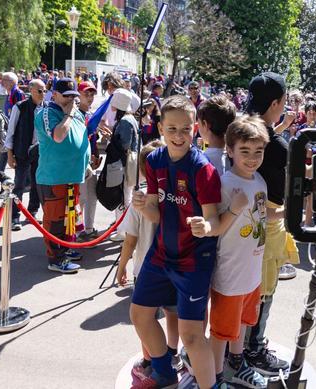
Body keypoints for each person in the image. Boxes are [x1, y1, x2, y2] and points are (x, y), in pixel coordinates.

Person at [129, 95, 222, 388]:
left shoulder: (203, 170)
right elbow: (157, 214)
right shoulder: (154, 161)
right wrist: (144, 205)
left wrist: (204, 226)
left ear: (195, 128)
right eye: (171, 129)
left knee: (191, 335)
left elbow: (214, 222)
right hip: (160, 255)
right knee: (139, 314)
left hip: (194, 262)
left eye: (185, 129)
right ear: (160, 128)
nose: (178, 136)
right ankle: (165, 372)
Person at [209, 116, 270, 388]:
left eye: (258, 151)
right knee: (221, 330)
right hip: (230, 272)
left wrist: (292, 211)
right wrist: (234, 207)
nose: (252, 157)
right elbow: (215, 228)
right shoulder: (224, 183)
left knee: (244, 321)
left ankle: (237, 361)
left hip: (252, 270)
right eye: (244, 151)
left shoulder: (259, 180)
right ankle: (215, 376)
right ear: (230, 150)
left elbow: (264, 215)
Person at [245, 72, 297, 376]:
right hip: (270, 219)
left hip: (243, 219)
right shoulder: (275, 144)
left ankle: (238, 346)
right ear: (276, 102)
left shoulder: (243, 131)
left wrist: (280, 129)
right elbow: (301, 171)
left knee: (243, 286)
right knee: (264, 288)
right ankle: (254, 349)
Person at [117, 139, 181, 385]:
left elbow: (130, 240)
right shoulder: (175, 195)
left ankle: (151, 360)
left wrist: (122, 265)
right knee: (172, 313)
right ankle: (172, 351)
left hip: (145, 267)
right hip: (174, 267)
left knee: (144, 318)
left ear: (143, 170)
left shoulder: (140, 198)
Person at [34, 78, 90, 273]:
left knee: (70, 217)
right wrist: (67, 116)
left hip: (72, 176)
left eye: (74, 96)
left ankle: (66, 249)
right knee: (55, 220)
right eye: (66, 97)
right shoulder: (47, 113)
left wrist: (88, 161)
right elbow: (58, 136)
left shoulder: (76, 114)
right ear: (55, 95)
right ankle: (55, 258)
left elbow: (83, 137)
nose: (71, 101)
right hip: (53, 177)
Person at [5, 79, 47, 230]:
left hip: (40, 152)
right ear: (31, 91)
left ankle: (32, 212)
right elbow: (10, 132)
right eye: (40, 91)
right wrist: (10, 154)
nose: (43, 94)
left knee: (37, 184)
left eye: (45, 91)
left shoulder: (47, 108)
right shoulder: (20, 107)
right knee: (20, 184)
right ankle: (15, 216)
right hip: (22, 151)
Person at [105, 88, 139, 242]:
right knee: (127, 196)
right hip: (128, 164)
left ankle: (123, 232)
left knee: (123, 198)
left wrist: (112, 140)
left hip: (123, 166)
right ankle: (124, 231)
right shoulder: (130, 118)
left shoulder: (125, 121)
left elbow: (123, 145)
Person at [76, 81, 102, 240]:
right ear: (78, 94)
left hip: (91, 162)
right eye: (86, 93)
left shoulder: (90, 115)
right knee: (81, 199)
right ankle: (78, 231)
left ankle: (89, 228)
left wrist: (96, 156)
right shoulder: (75, 114)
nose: (90, 97)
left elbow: (92, 140)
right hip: (79, 164)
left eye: (92, 94)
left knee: (92, 196)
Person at [196, 95, 237, 175]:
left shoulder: (199, 162)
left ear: (205, 124)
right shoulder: (235, 157)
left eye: (199, 122)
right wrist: (205, 144)